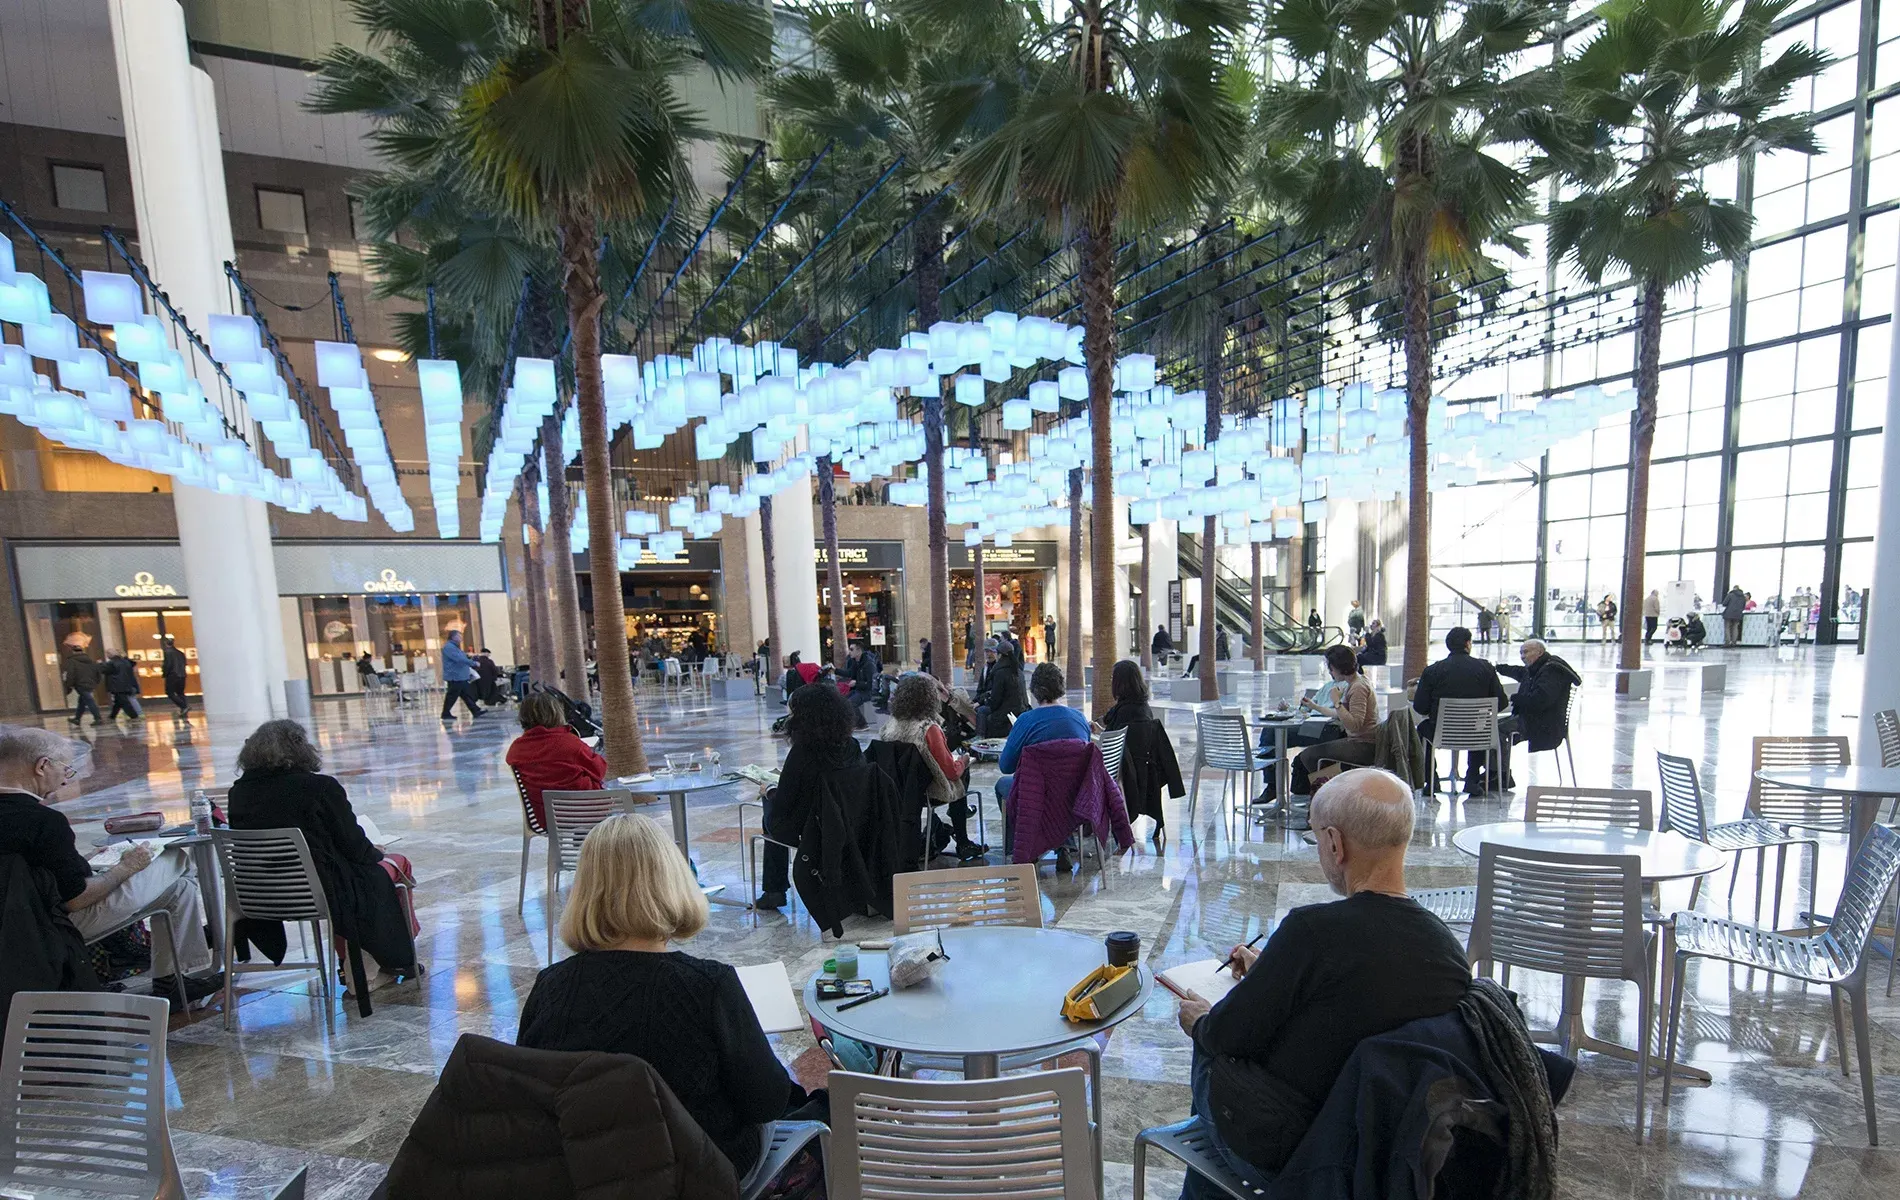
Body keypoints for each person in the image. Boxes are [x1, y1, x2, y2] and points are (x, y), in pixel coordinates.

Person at [1172, 770, 1471, 1188]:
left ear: (1335, 843)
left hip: (1301, 1152)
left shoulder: (1312, 931)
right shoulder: (1447, 950)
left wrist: (1200, 1019)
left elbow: (1227, 1037)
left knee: (1210, 1052)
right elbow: (1358, 1000)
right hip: (1390, 1157)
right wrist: (1271, 971)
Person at [517, 813, 824, 1181]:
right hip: (694, 1175)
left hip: (583, 1173)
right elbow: (766, 1102)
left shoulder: (549, 986)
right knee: (786, 1093)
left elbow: (532, 1098)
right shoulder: (708, 985)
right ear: (672, 882)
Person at [0, 725, 218, 1008]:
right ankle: (185, 971)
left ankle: (172, 980)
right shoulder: (43, 822)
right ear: (42, 766)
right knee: (175, 859)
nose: (66, 780)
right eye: (66, 769)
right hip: (51, 927)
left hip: (16, 925)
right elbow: (76, 899)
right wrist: (125, 867)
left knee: (178, 889)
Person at [228, 719, 419, 981]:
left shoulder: (238, 793)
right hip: (317, 892)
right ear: (299, 748)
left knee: (348, 878)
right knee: (390, 867)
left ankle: (362, 964)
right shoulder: (320, 788)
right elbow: (355, 848)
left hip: (259, 896)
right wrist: (374, 851)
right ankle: (391, 959)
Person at [756, 682, 862, 911]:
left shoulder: (803, 753)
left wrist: (770, 791)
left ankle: (774, 890)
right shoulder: (852, 745)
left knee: (769, 810)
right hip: (849, 821)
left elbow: (786, 801)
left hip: (812, 829)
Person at [880, 673, 985, 861]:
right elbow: (951, 772)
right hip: (931, 792)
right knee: (962, 770)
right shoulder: (928, 728)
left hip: (899, 791)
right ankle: (963, 841)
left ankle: (951, 826)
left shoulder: (891, 724)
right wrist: (965, 760)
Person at [1412, 627, 1514, 792]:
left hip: (1441, 732)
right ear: (1468, 644)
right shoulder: (1486, 668)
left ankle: (1432, 781)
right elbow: (1501, 703)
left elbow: (1420, 707)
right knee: (1481, 726)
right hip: (1477, 733)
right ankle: (1472, 779)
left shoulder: (1432, 671)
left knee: (1422, 730)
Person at [1097, 660, 1182, 842]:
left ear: (1120, 683)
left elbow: (1114, 745)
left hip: (1126, 773)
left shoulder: (1124, 712)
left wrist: (1099, 735)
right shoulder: (1143, 708)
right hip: (1147, 770)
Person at [994, 662, 1091, 819]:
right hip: (1075, 795)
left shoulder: (1026, 720)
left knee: (1002, 785)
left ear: (1034, 689)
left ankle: (1019, 838)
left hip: (1036, 796)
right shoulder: (1079, 718)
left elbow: (1006, 766)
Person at [505, 691, 607, 830]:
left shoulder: (517, 748)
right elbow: (600, 770)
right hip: (586, 811)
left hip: (546, 818)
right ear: (556, 713)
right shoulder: (569, 743)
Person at [1289, 646, 1379, 800]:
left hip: (1363, 744)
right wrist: (1315, 706)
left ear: (1338, 667)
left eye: (1330, 668)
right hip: (1360, 741)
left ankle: (1328, 799)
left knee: (1310, 756)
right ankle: (1330, 797)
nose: (1330, 672)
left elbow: (1354, 725)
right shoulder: (1357, 682)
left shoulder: (1358, 688)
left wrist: (1336, 702)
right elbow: (1340, 715)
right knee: (1316, 753)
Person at [1496, 638, 1582, 762]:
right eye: (1521, 653)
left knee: (1495, 730)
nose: (1522, 656)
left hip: (1544, 725)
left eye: (1526, 652)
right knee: (1491, 727)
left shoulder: (1552, 671)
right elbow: (1520, 672)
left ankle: (1499, 774)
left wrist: (1513, 698)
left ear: (1539, 652)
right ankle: (1494, 772)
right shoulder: (1539, 667)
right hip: (1535, 719)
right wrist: (1498, 668)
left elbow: (1540, 700)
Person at [439, 630, 484, 720]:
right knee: (452, 696)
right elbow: (459, 659)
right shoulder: (449, 647)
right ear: (453, 637)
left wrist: (470, 657)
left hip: (460, 676)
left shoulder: (455, 647)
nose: (461, 638)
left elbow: (462, 657)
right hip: (455, 676)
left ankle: (475, 711)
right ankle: (445, 713)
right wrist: (473, 663)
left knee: (466, 694)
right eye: (459, 636)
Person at [61, 647, 102, 726]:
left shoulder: (72, 661)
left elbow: (70, 674)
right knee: (82, 701)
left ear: (73, 652)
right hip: (90, 683)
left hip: (80, 684)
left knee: (89, 700)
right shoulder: (91, 661)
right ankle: (77, 718)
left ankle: (98, 718)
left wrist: (69, 685)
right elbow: (98, 673)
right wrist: (96, 683)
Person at [845, 640, 881, 729]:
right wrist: (835, 670)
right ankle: (849, 723)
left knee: (850, 703)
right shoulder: (856, 662)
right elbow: (849, 673)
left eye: (851, 649)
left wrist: (856, 683)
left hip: (868, 691)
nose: (850, 651)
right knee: (842, 701)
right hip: (859, 690)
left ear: (858, 651)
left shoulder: (869, 664)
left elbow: (871, 684)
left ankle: (862, 724)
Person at [102, 651, 142, 721]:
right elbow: (132, 664)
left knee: (124, 701)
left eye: (107, 654)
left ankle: (134, 716)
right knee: (118, 701)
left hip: (117, 685)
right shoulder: (125, 662)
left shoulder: (112, 663)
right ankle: (112, 716)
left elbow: (104, 670)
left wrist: (100, 664)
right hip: (126, 684)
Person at [161, 637, 190, 716]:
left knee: (170, 692)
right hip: (182, 674)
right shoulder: (180, 653)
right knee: (180, 692)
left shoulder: (167, 652)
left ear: (165, 643)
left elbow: (168, 665)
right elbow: (184, 664)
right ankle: (184, 709)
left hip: (172, 675)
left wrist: (164, 673)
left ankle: (184, 706)